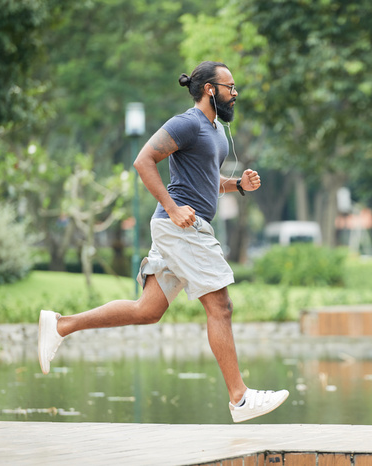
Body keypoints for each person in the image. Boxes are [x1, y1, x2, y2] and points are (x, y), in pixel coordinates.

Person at [38, 61, 289, 423]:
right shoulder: (186, 123)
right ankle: (240, 398)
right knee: (220, 305)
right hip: (181, 228)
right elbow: (144, 161)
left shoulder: (216, 131)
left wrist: (236, 185)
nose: (235, 94)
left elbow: (204, 178)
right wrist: (172, 209)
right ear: (209, 89)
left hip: (184, 227)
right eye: (230, 87)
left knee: (147, 310)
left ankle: (60, 325)